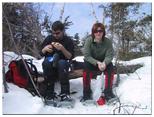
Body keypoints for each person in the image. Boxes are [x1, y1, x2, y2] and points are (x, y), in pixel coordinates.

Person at [81, 22, 115, 103]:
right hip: (92, 63)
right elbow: (87, 56)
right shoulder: (88, 41)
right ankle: (86, 93)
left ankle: (108, 92)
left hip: (103, 63)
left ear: (103, 32)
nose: (98, 33)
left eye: (100, 31)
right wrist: (97, 63)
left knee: (110, 67)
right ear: (93, 32)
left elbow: (110, 55)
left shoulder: (108, 42)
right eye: (96, 31)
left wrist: (104, 63)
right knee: (86, 67)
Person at [40, 21, 74, 102]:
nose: (55, 35)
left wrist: (62, 49)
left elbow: (70, 56)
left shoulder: (68, 40)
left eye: (58, 33)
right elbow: (40, 53)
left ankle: (65, 94)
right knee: (47, 62)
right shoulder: (49, 38)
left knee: (61, 63)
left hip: (63, 65)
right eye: (53, 33)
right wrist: (44, 49)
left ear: (63, 31)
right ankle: (49, 93)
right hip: (49, 65)